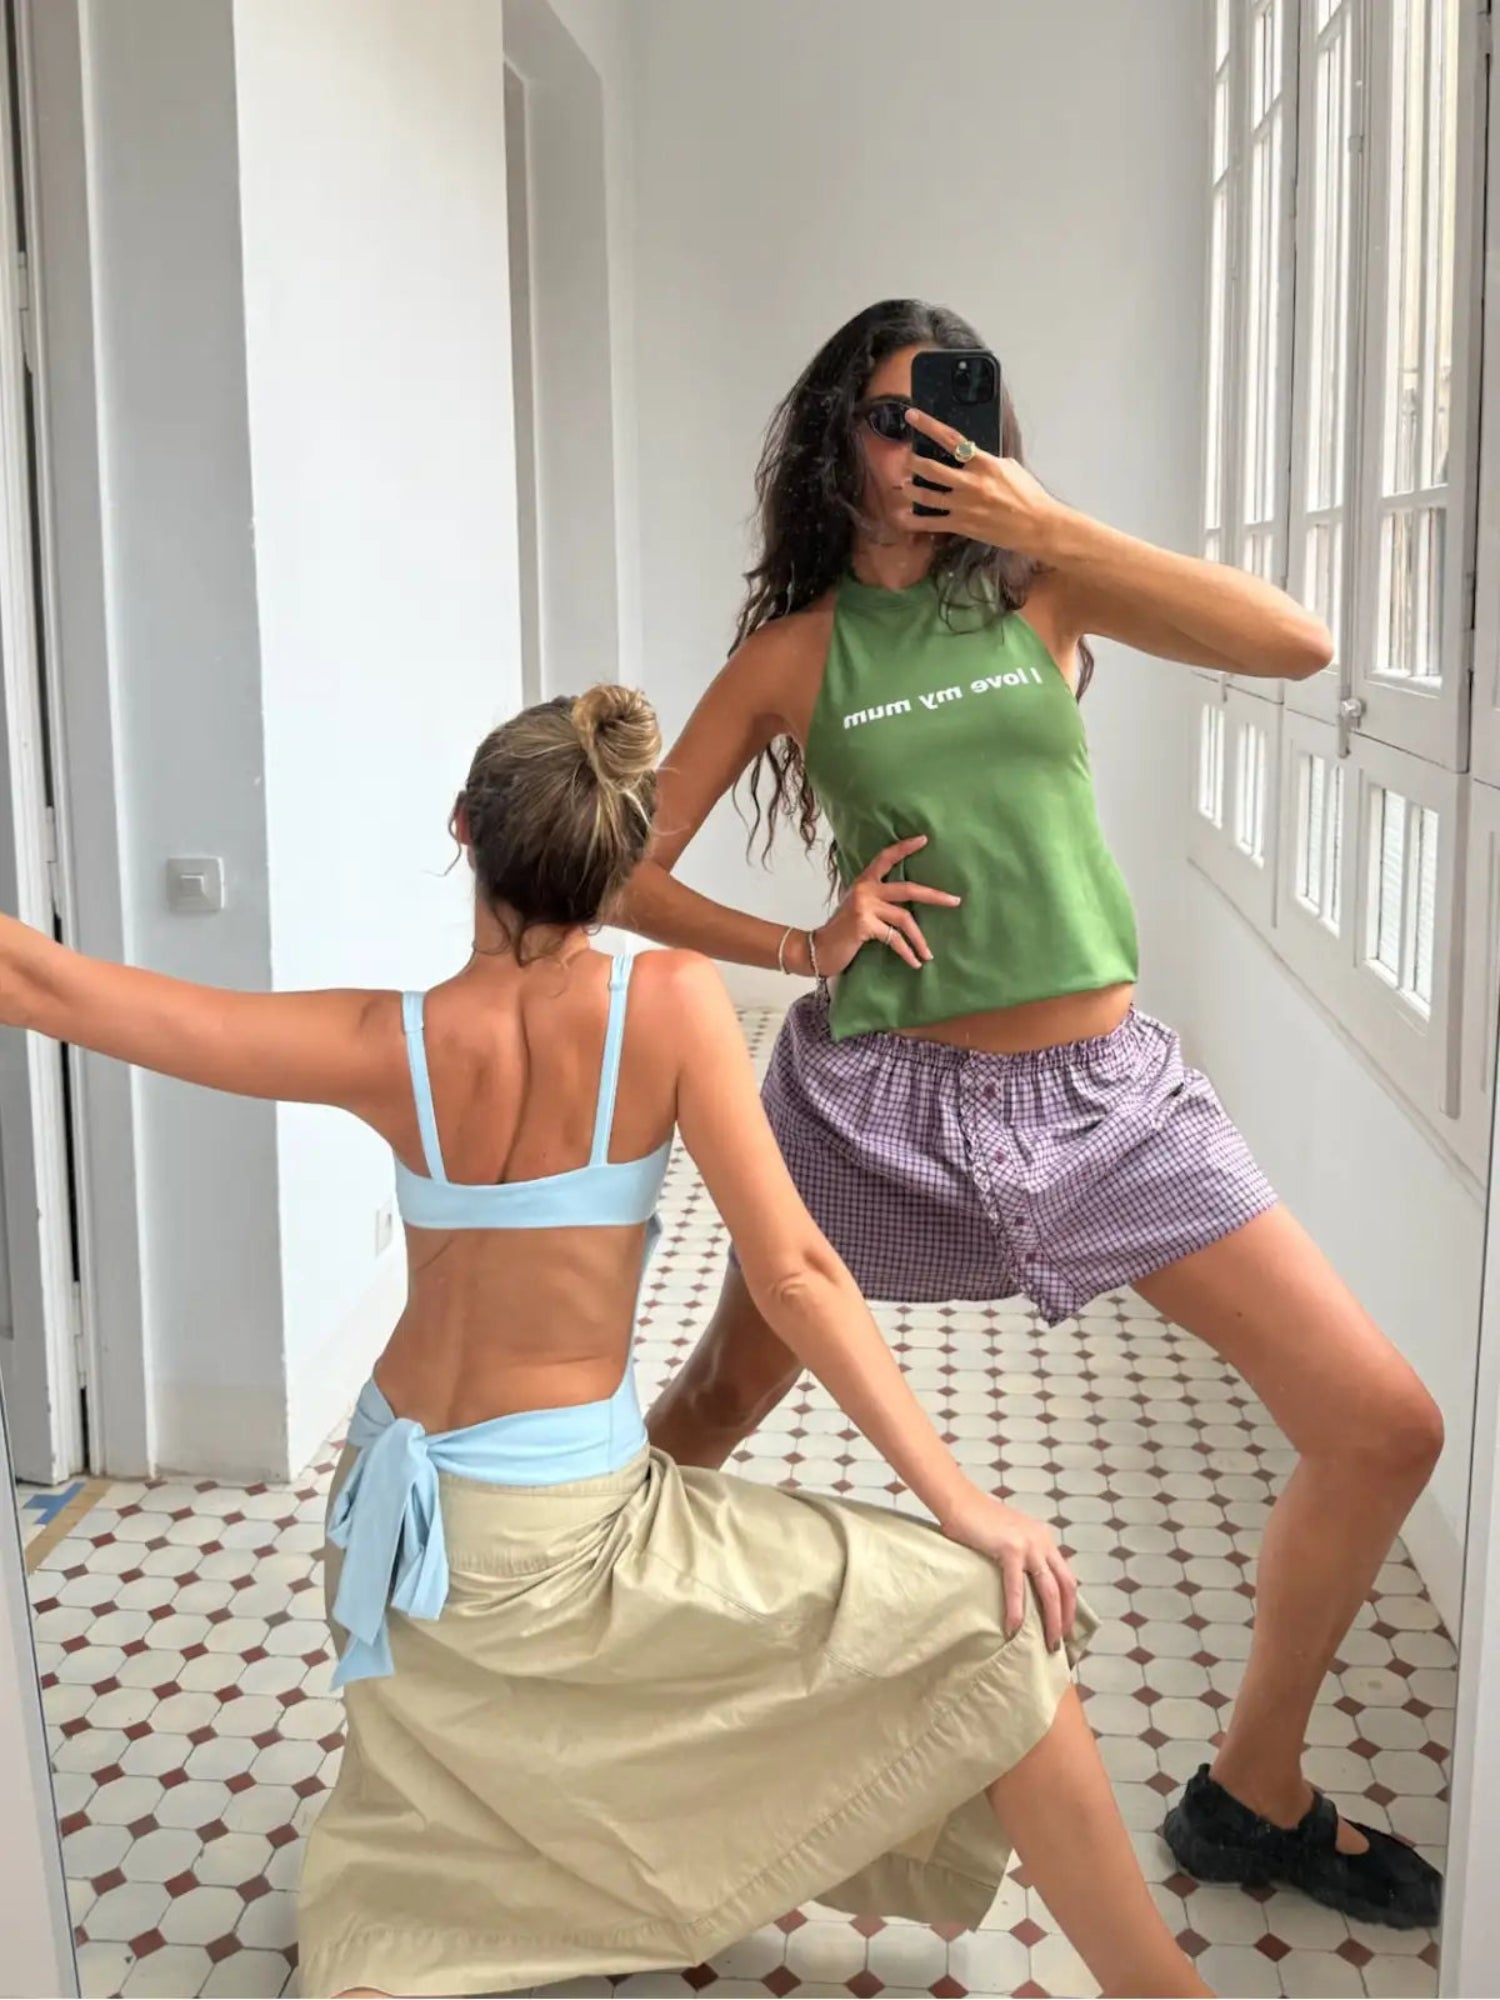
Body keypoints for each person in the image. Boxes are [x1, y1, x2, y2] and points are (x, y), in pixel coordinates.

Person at [0, 684, 1209, 1998]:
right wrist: (962, 1502)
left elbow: (41, 981)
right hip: (556, 1537)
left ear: (464, 828)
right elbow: (798, 1275)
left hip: (394, 1536)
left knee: (529, 1745)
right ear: (617, 862)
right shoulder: (671, 1004)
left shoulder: (385, 1040)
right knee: (1000, 1625)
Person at [623, 298, 1445, 1932]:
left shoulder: (1048, 590)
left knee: (1385, 1425)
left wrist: (1047, 522)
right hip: (873, 1108)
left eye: (952, 414)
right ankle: (573, 1671)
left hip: (1111, 1104)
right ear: (835, 441)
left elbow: (1297, 644)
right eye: (889, 417)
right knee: (709, 1405)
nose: (921, 444)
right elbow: (626, 867)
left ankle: (1254, 1792)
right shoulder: (795, 657)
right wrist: (801, 946)